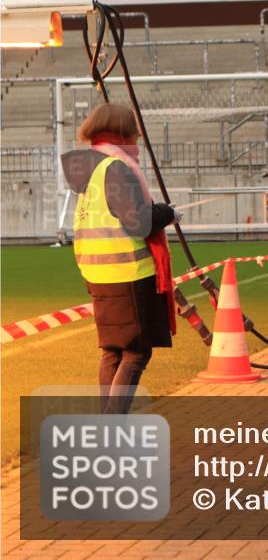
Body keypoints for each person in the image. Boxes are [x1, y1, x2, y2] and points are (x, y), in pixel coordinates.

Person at [61, 103, 178, 415]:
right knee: (136, 352)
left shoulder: (92, 168)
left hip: (98, 273)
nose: (137, 140)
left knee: (112, 351)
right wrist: (167, 213)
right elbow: (138, 222)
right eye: (135, 134)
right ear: (124, 132)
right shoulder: (116, 166)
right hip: (129, 272)